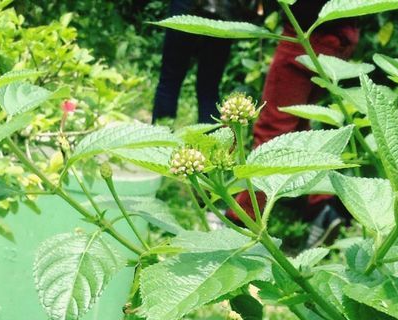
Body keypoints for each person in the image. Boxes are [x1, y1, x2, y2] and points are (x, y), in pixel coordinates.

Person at [233, 1, 360, 244]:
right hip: (341, 33)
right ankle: (321, 207)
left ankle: (242, 217)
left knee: (273, 128)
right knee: (299, 121)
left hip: (307, 30)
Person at [152, 0, 259, 125]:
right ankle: (211, 142)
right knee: (209, 89)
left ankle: (160, 136)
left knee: (170, 79)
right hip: (223, 11)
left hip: (187, 6)